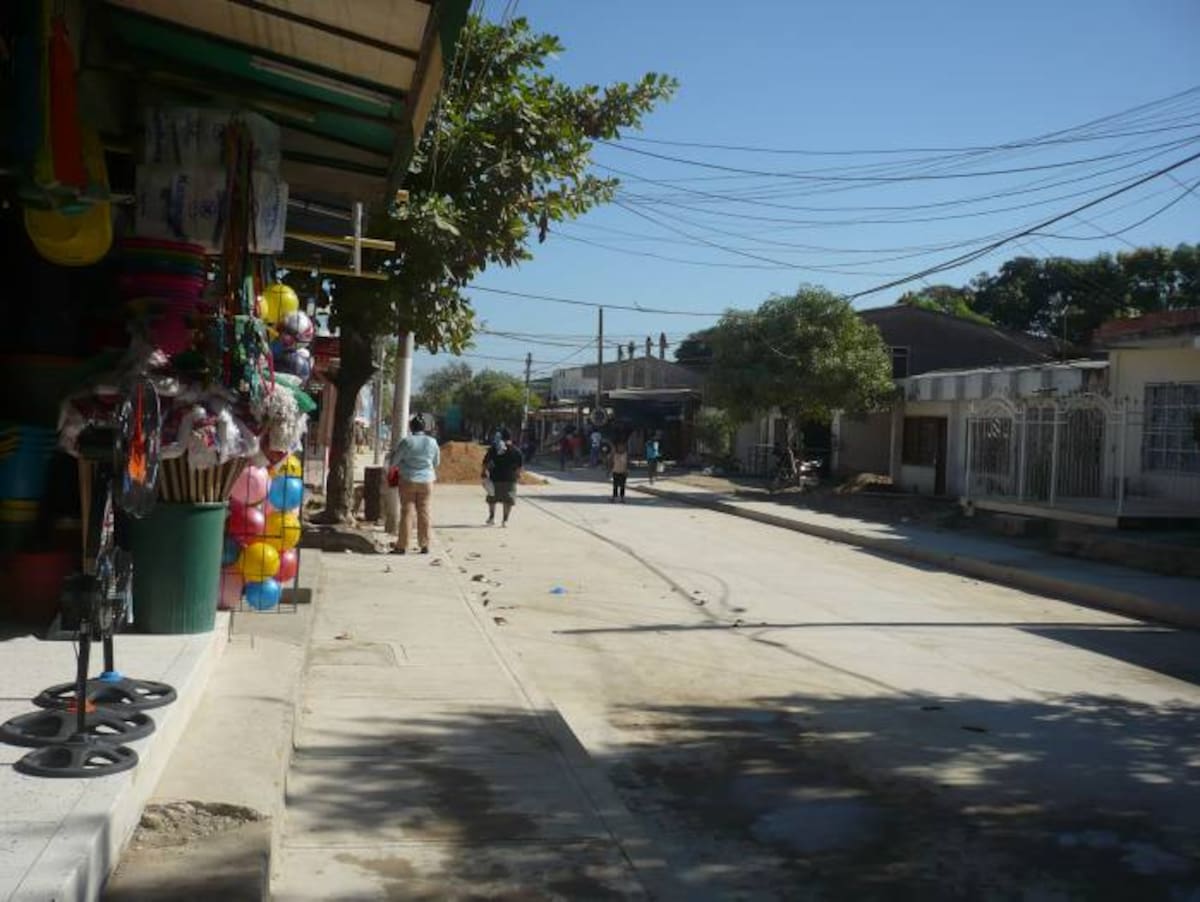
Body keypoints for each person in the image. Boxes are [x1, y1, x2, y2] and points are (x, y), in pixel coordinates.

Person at [388, 416, 440, 554]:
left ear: (411, 427)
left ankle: (402, 546)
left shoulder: (406, 442)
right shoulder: (432, 442)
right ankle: (425, 544)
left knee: (407, 512)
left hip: (408, 480)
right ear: (424, 428)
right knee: (424, 511)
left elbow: (394, 462)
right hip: (427, 481)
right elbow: (436, 463)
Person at [482, 428, 524, 527]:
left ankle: (491, 518)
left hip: (494, 479)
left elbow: (485, 463)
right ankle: (505, 520)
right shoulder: (516, 451)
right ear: (511, 437)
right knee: (508, 501)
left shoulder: (494, 449)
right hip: (510, 480)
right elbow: (519, 467)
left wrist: (483, 473)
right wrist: (518, 475)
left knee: (492, 499)